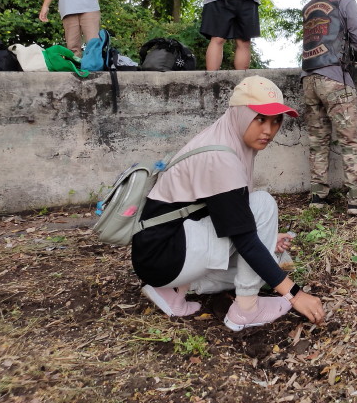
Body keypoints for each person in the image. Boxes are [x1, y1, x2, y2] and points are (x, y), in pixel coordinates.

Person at [131, 76, 326, 331]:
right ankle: (246, 309)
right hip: (164, 254)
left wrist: (266, 238)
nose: (268, 130)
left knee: (268, 263)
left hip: (159, 253)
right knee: (263, 206)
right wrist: (295, 295)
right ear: (240, 114)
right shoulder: (220, 156)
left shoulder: (225, 137)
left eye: (276, 120)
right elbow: (244, 237)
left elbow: (225, 212)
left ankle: (173, 290)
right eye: (260, 118)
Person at [301, 0, 357, 215]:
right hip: (335, 79)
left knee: (318, 141)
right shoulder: (344, 2)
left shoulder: (309, 6)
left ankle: (318, 197)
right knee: (349, 140)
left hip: (308, 79)